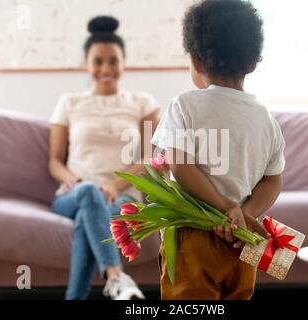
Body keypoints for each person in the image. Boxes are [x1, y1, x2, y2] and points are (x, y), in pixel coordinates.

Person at [151, 0, 285, 300]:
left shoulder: (185, 105)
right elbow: (273, 181)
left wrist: (226, 207)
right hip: (242, 240)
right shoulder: (266, 119)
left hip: (193, 239)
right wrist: (244, 213)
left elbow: (178, 164)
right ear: (252, 62)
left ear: (196, 61)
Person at [48, 16, 159, 300]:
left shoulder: (142, 103)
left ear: (124, 63)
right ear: (87, 64)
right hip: (74, 193)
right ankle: (116, 276)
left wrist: (114, 186)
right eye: (98, 61)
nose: (106, 68)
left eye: (113, 61)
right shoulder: (69, 103)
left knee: (91, 214)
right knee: (88, 194)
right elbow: (54, 161)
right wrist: (71, 179)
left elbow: (149, 158)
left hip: (122, 198)